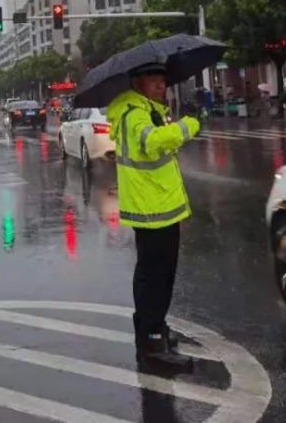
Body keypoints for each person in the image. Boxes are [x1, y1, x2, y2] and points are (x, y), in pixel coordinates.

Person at [107, 63, 200, 371]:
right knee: (158, 277)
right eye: (154, 81)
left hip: (153, 205)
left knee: (151, 274)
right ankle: (153, 342)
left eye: (163, 81)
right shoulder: (135, 115)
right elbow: (151, 143)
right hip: (153, 208)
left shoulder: (143, 110)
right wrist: (188, 126)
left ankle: (151, 328)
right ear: (137, 83)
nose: (162, 86)